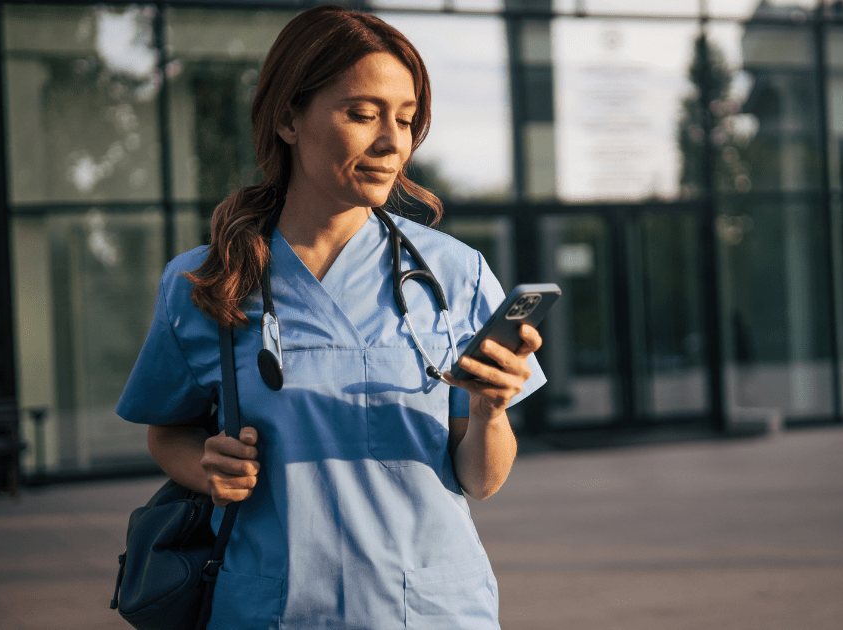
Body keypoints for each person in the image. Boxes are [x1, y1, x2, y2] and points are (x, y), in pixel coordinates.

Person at [116, 5, 546, 629]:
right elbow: (168, 432)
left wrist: (489, 411)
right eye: (362, 114)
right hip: (271, 608)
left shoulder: (457, 275)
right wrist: (210, 470)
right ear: (289, 117)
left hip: (430, 611)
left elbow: (480, 480)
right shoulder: (207, 283)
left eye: (405, 119)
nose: (391, 141)